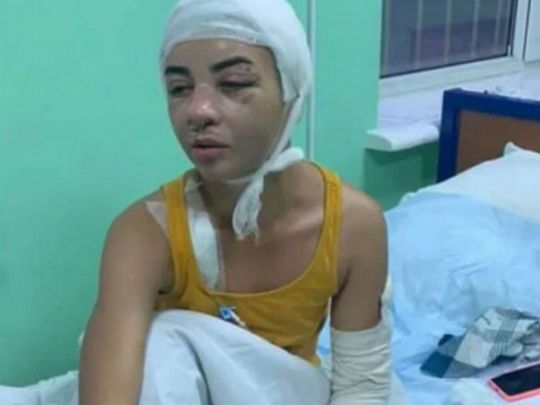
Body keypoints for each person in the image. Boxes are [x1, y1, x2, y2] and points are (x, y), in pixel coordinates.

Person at [1, 0, 391, 404]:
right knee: (158, 343)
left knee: (164, 337)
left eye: (234, 83)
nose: (197, 111)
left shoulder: (352, 225)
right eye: (179, 89)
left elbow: (361, 388)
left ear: (292, 90)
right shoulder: (146, 234)